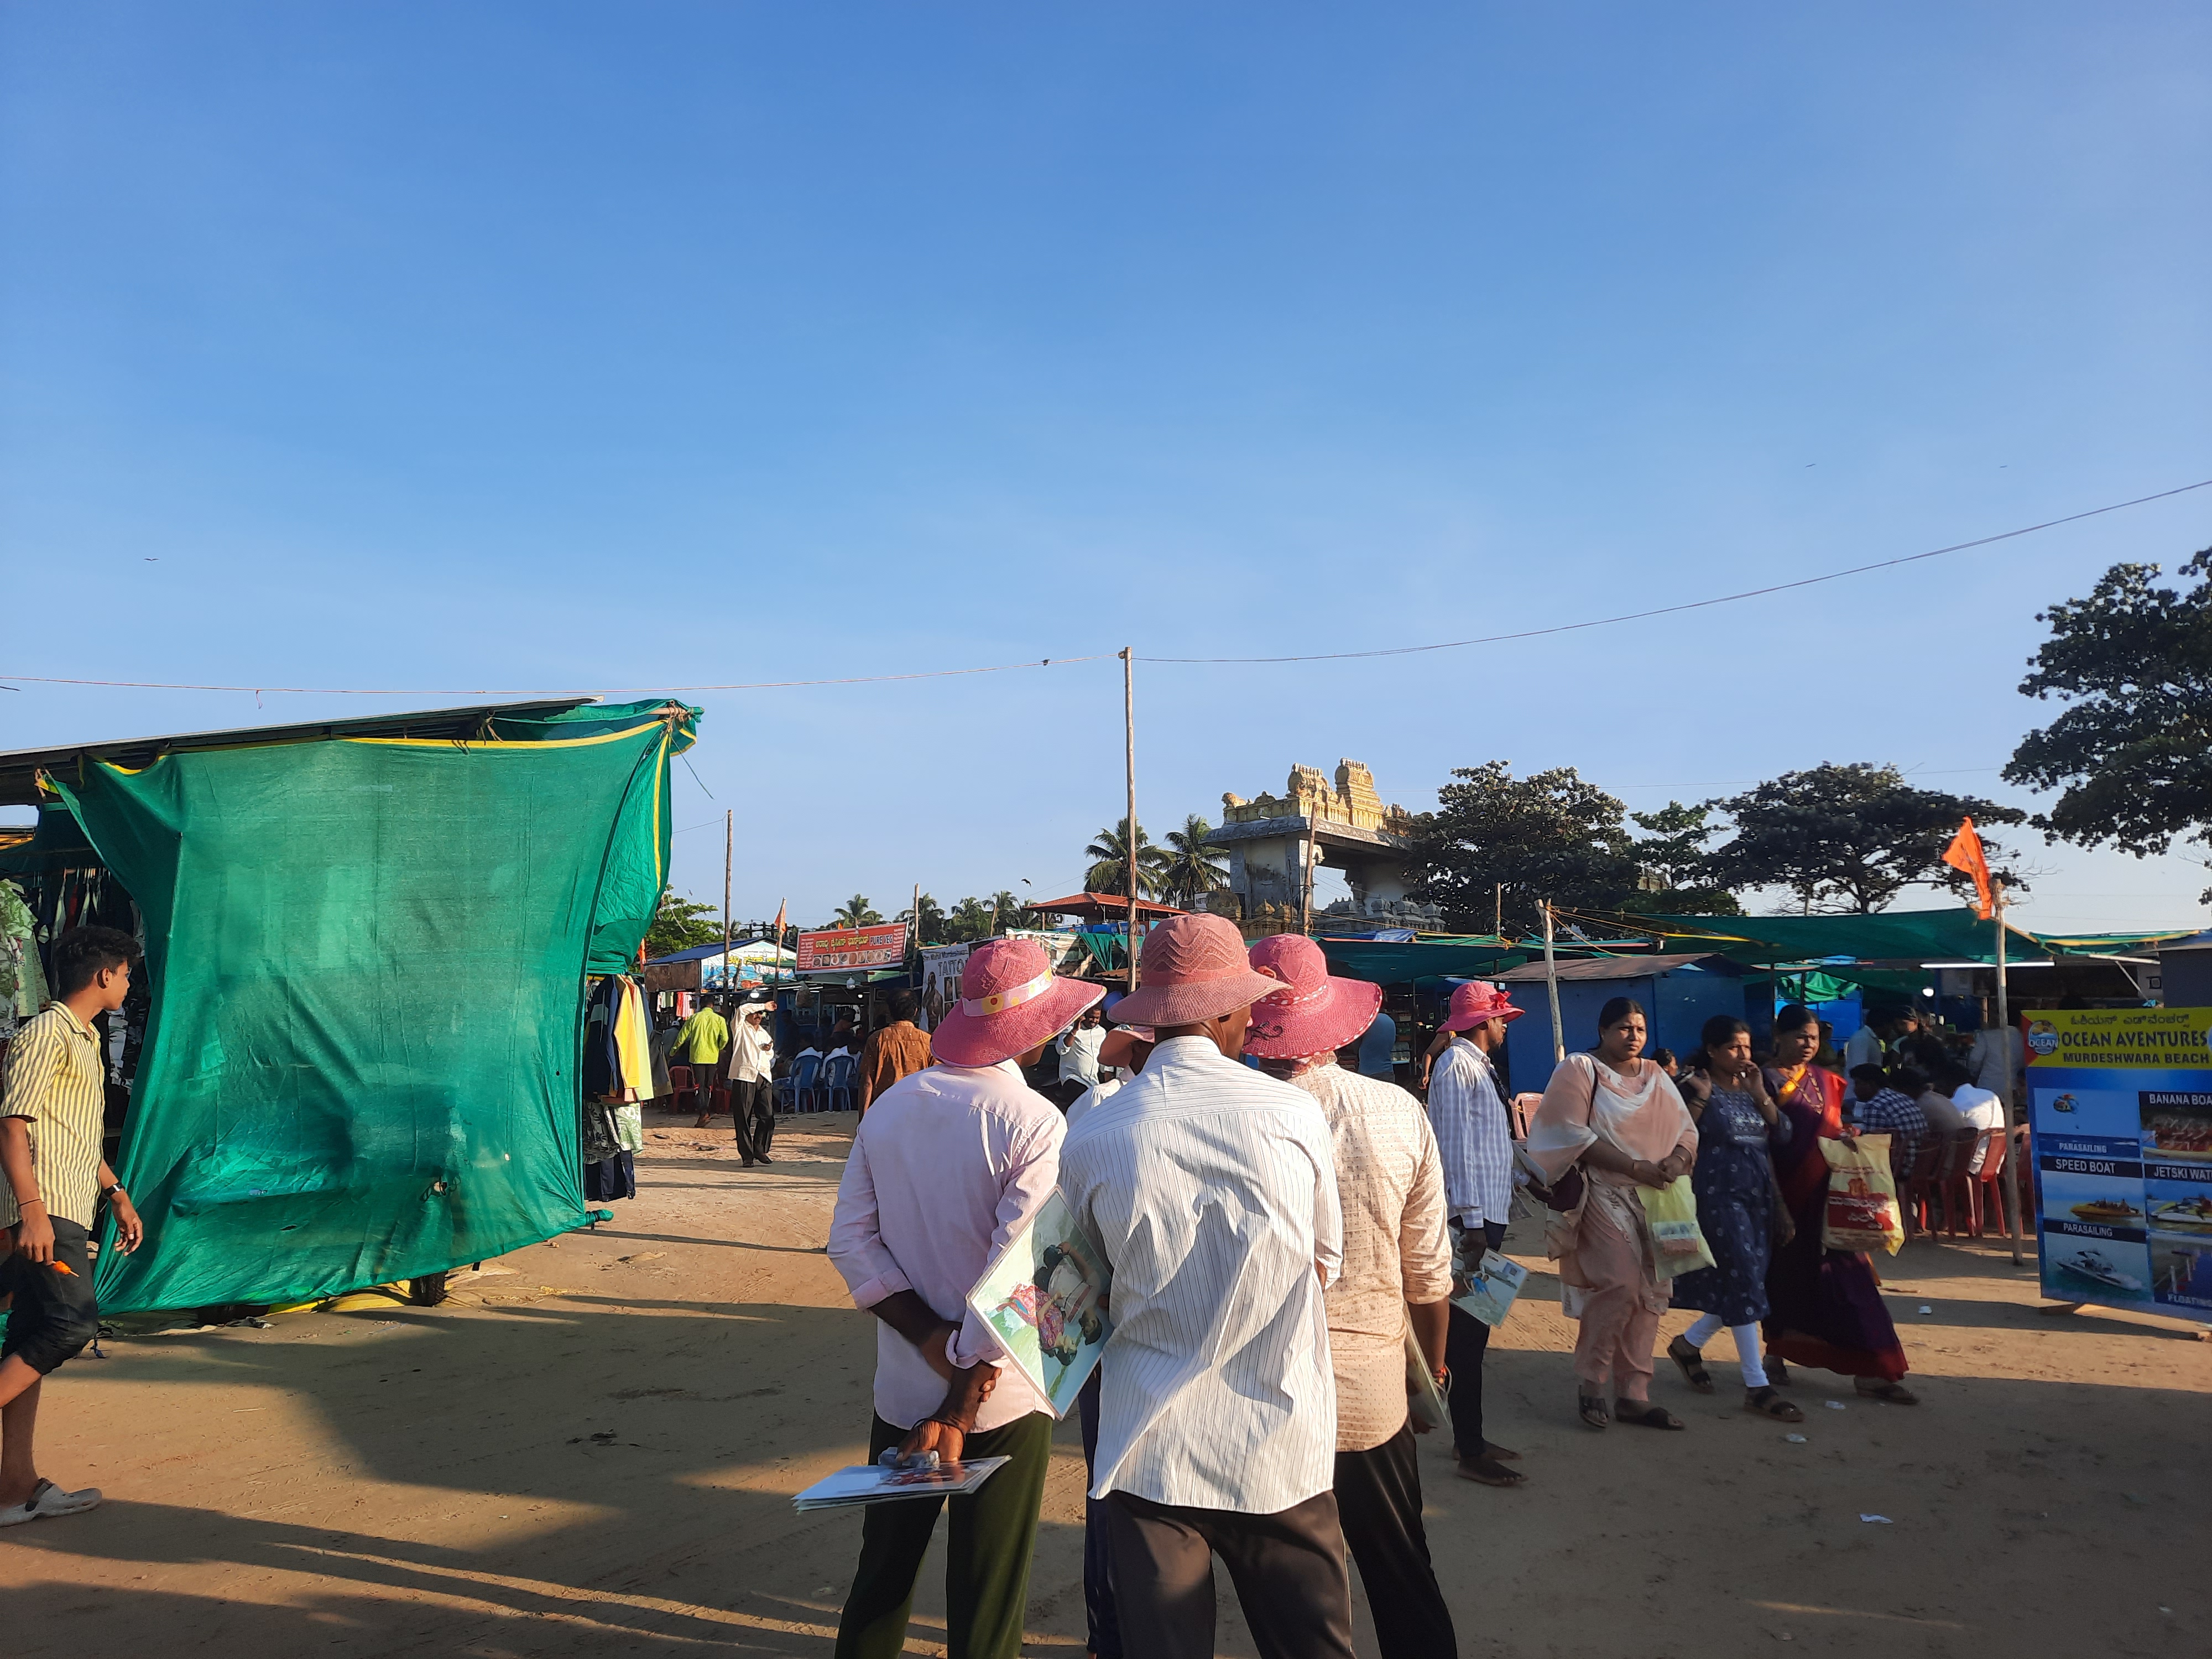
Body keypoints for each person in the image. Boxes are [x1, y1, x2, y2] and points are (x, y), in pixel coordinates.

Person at [1060, 912, 1354, 1659]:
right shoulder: (1293, 1115)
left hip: (1147, 1456)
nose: (1255, 1018)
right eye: (1249, 1004)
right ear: (1224, 1012)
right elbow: (1326, 1263)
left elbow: (1068, 1301)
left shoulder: (1092, 1134)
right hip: (1280, 1444)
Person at [825, 937, 1105, 1659]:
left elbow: (852, 1244)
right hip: (1001, 1397)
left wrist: (933, 1347)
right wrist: (963, 1390)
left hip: (903, 1389)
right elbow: (1020, 1274)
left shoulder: (888, 1111)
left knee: (882, 1576)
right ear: (1038, 1030)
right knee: (987, 1595)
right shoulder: (1036, 1122)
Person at [1245, 935, 1458, 1659]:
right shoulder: (1396, 1112)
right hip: (1373, 1392)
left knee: (1297, 1594)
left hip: (1262, 1395)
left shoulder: (1232, 1119)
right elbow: (1429, 1272)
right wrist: (1431, 1367)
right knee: (1401, 1568)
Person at [1, 926, 149, 1528]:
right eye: (126, 973)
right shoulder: (46, 1033)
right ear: (103, 975)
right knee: (71, 1323)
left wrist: (116, 1192)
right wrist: (32, 1210)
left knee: (31, 1336)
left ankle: (16, 1490)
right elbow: (13, 1126)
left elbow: (76, 1136)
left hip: (67, 1202)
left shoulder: (85, 1041)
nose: (130, 984)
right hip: (45, 1211)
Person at [1524, 996, 1698, 1432]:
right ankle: (1592, 1382)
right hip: (1603, 1193)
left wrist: (1675, 1162)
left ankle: (1634, 1395)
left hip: (1658, 1197)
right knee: (1619, 1284)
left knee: (1652, 1294)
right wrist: (1633, 1166)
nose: (1633, 1036)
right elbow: (1567, 1132)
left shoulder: (1657, 1076)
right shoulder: (1580, 1070)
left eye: (1639, 1029)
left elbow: (1687, 1131)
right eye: (1623, 1028)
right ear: (1603, 1031)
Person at [1762, 1004, 1916, 1403]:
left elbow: (1831, 1127)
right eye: (1800, 1037)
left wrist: (1845, 1133)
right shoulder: (1762, 1082)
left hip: (1829, 1198)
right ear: (1779, 1036)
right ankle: (1775, 1352)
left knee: (1851, 1282)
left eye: (1814, 1038)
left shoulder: (1824, 1081)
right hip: (1784, 1197)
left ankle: (1872, 1371)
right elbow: (1761, 1143)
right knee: (1784, 1281)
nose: (1808, 1045)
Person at [1666, 1016, 1801, 1422]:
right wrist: (1703, 1098)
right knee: (1744, 1279)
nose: (1743, 1055)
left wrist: (1760, 1093)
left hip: (1757, 1196)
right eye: (1733, 1049)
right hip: (1716, 1199)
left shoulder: (1756, 1090)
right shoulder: (1692, 1086)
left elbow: (1783, 1136)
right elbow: (1673, 1135)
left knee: (1746, 1284)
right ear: (1712, 1051)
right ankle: (1757, 1385)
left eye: (1746, 1047)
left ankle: (1688, 1345)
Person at [1424, 980, 1529, 1487]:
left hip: (1488, 1213)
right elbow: (1454, 1151)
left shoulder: (1478, 1067)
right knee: (1468, 1336)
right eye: (1500, 1018)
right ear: (1483, 1022)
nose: (1505, 1026)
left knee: (1478, 1330)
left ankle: (1474, 1437)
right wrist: (1470, 1223)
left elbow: (1488, 1146)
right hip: (1474, 1220)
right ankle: (1469, 1445)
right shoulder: (1456, 1068)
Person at [1845, 1063, 1926, 1180]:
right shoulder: (1903, 1098)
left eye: (1858, 1084)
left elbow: (1871, 1147)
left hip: (1899, 1166)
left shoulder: (1875, 1105)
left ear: (1871, 1084)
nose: (1855, 1089)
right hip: (1920, 1162)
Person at [857, 990, 932, 1113]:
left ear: (889, 1012)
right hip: (918, 1111)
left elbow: (867, 1082)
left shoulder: (877, 1039)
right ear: (916, 1011)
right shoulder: (927, 1041)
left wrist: (863, 1121)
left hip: (885, 1110)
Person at [724, 1001, 779, 1166]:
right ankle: (747, 1155)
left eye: (760, 1014)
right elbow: (742, 1009)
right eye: (756, 1013)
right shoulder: (740, 1028)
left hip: (763, 1076)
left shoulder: (764, 1033)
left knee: (767, 1116)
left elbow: (770, 1055)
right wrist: (764, 1005)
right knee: (743, 1118)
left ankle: (759, 1149)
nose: (758, 1016)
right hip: (744, 1076)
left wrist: (769, 1050)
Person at [1940, 1061, 2007, 1173]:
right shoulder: (1991, 1095)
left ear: (1947, 1083)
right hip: (1996, 1160)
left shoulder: (1956, 1103)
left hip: (1973, 1164)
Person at [672, 996, 730, 1127]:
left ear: (701, 1006)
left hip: (697, 1058)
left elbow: (681, 1037)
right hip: (713, 1058)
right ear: (713, 1006)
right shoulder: (720, 1020)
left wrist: (673, 1052)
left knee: (699, 1086)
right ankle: (705, 1112)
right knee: (708, 1086)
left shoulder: (694, 1018)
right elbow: (725, 1039)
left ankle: (703, 1112)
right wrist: (719, 1048)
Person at [1054, 1004, 1107, 1107]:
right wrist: (1074, 1031)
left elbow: (1102, 1056)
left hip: (1093, 1083)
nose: (1094, 1021)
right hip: (1074, 1079)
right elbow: (1061, 1049)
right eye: (1091, 1017)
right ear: (1083, 1015)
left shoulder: (1102, 1032)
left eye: (1097, 1018)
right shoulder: (1070, 1028)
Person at [1966, 1018, 2025, 1108]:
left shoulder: (1986, 1036)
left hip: (1988, 1087)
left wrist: (1974, 1074)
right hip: (2014, 1089)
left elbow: (1975, 1059)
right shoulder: (2021, 1037)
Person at [1355, 1008, 1398, 1080]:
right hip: (1388, 1072)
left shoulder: (1367, 1022)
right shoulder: (1390, 1021)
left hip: (1368, 1073)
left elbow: (1354, 1048)